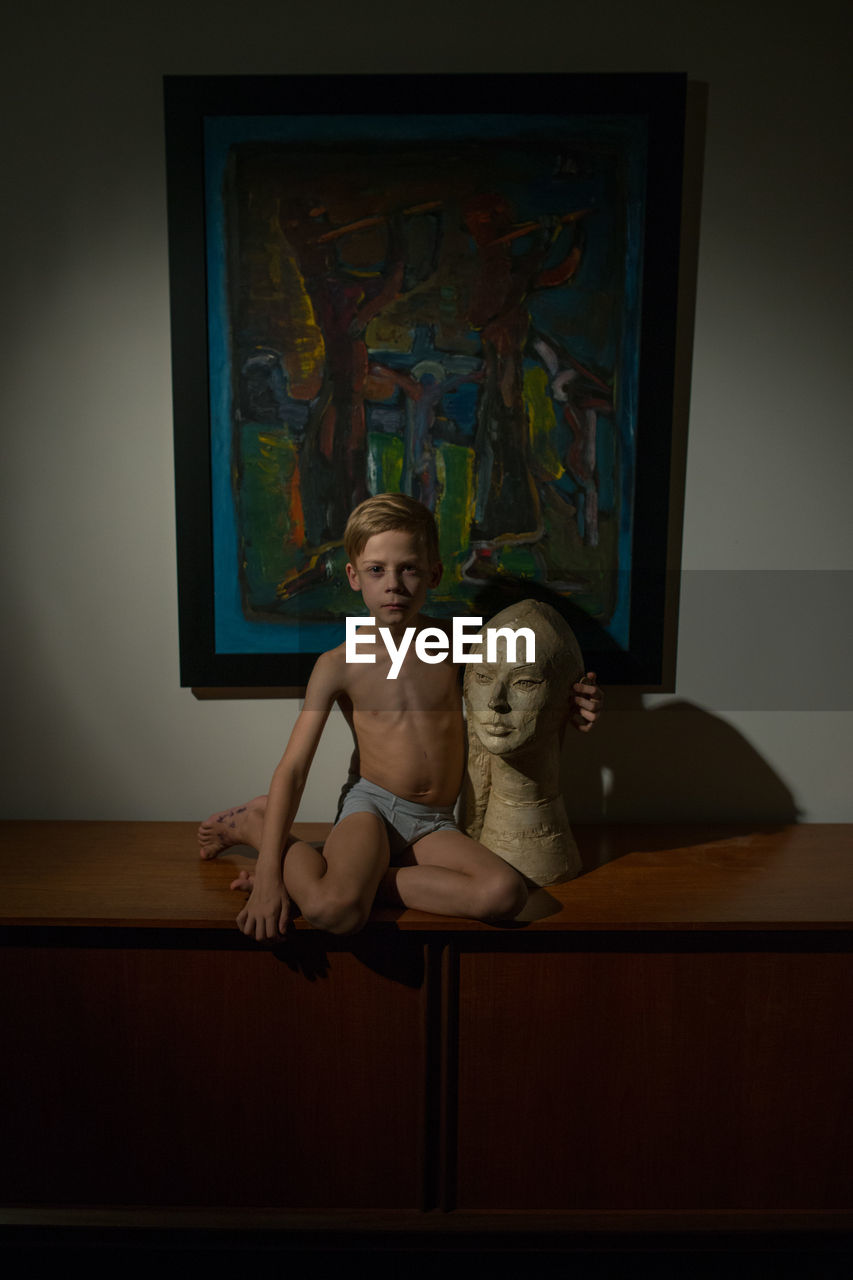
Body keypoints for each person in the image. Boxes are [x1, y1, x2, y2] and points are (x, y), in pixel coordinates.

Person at [198, 494, 602, 939]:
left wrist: (574, 701)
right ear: (354, 576)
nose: (394, 584)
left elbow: (524, 681)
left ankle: (351, 880)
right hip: (371, 808)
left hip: (434, 822)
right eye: (376, 570)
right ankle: (259, 826)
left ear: (433, 573)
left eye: (408, 568)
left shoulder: (458, 642)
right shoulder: (339, 663)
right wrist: (270, 880)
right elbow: (293, 770)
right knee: (335, 912)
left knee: (504, 893)